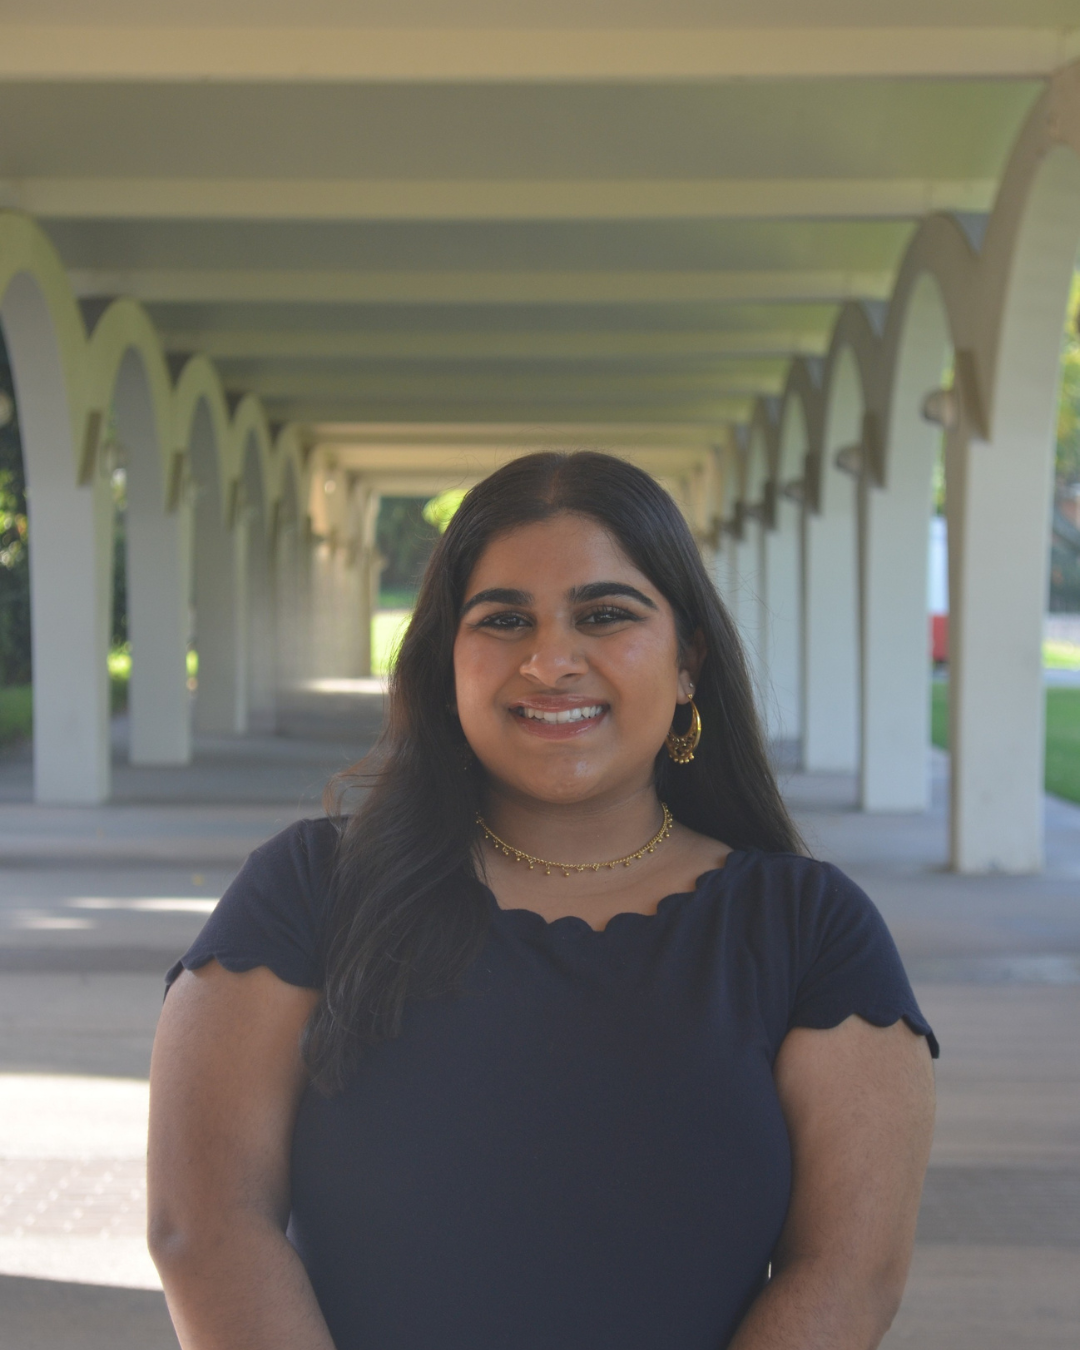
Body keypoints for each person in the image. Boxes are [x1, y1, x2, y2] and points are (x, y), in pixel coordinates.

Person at [148, 451, 936, 1350]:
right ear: (449, 661)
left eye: (605, 615)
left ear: (690, 661)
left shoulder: (808, 930)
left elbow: (849, 1271)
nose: (550, 660)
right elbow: (204, 1226)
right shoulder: (307, 893)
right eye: (503, 620)